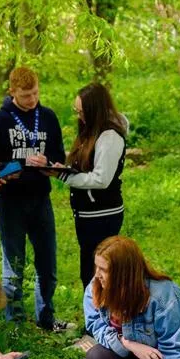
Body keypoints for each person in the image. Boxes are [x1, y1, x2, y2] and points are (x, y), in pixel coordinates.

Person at [0, 66, 73, 332]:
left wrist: (48, 162)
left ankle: (46, 318)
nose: (32, 100)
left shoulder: (47, 117)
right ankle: (15, 324)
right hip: (10, 201)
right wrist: (15, 165)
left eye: (35, 93)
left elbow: (59, 153)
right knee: (14, 264)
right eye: (25, 96)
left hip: (40, 199)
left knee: (47, 262)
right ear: (12, 91)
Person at [54, 82, 128, 289]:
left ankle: (103, 317)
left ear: (95, 109)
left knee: (100, 272)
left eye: (82, 112)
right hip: (86, 214)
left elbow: (101, 179)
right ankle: (95, 316)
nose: (79, 116)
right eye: (76, 111)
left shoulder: (109, 136)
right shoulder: (90, 131)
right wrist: (63, 168)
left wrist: (64, 176)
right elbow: (85, 166)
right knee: (88, 269)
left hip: (102, 215)